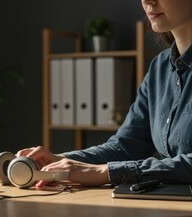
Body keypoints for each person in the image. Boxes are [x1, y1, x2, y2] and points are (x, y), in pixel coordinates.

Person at [17, 0, 192, 189]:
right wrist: (61, 160)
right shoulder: (160, 68)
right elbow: (126, 147)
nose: (148, 1)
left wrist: (106, 172)